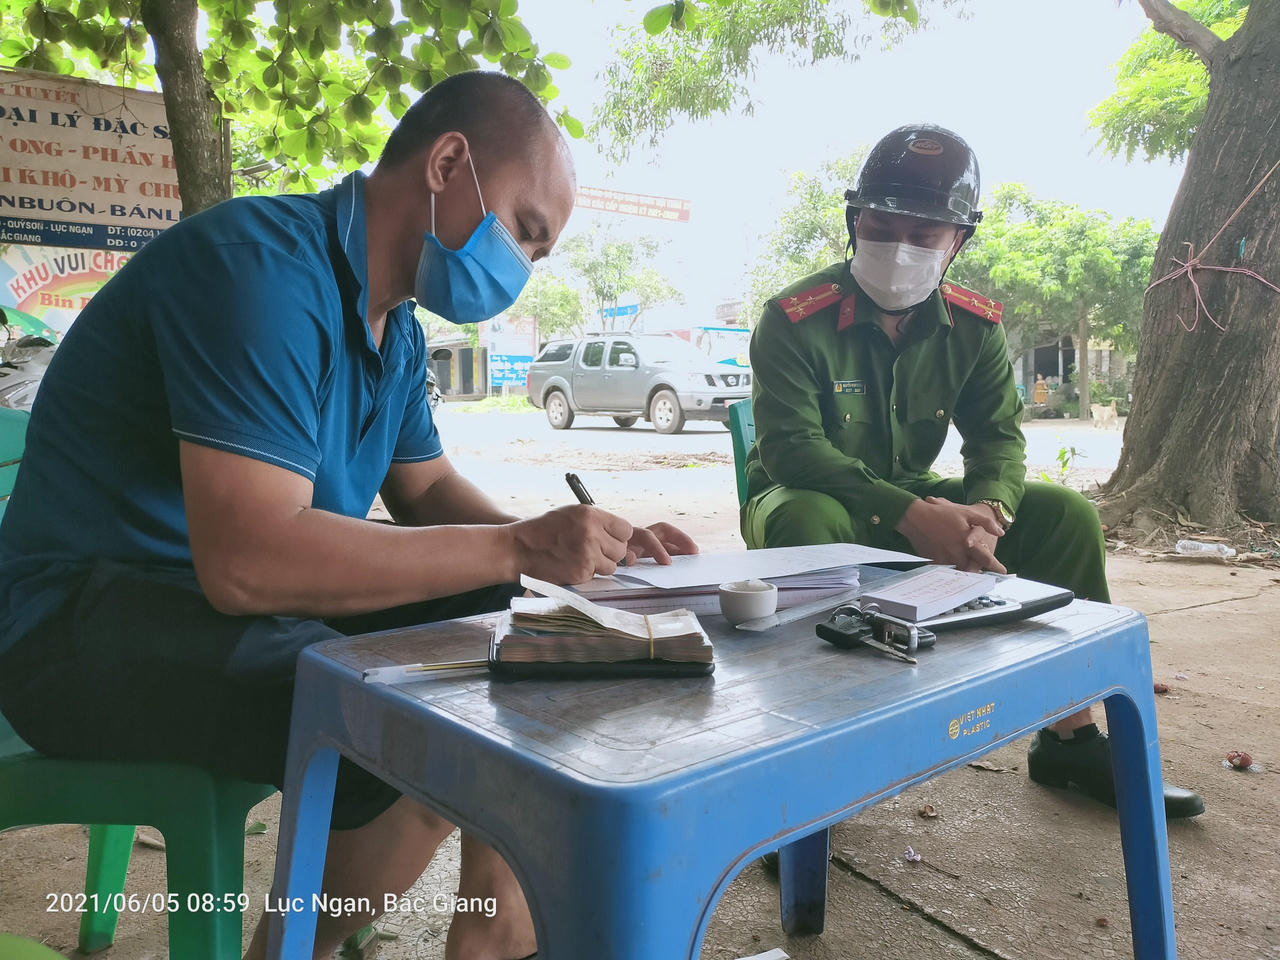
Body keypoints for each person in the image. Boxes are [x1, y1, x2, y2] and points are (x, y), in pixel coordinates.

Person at [0, 71, 698, 960]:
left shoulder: (393, 327)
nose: (522, 270)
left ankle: (494, 935)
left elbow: (431, 495)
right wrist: (515, 546)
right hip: (71, 629)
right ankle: (295, 952)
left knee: (527, 637)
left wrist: (578, 553)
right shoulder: (259, 269)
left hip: (212, 614)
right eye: (525, 233)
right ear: (449, 163)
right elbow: (248, 561)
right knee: (421, 722)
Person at [741, 123, 1203, 820]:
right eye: (880, 223)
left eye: (923, 234)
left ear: (958, 241)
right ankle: (804, 767)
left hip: (914, 499)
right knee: (810, 521)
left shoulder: (974, 329)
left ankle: (1070, 738)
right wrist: (912, 516)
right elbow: (792, 450)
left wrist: (988, 515)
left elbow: (997, 439)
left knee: (1067, 518)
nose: (898, 246)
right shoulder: (791, 319)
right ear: (853, 219)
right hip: (800, 496)